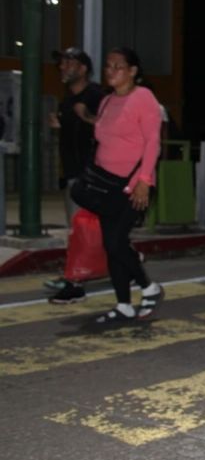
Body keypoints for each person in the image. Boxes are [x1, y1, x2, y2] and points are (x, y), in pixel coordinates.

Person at [89, 47, 164, 324]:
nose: (111, 70)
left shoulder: (143, 98)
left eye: (118, 66)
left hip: (133, 184)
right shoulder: (107, 101)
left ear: (133, 71)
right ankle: (123, 305)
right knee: (112, 246)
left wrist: (144, 181)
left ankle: (149, 288)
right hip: (106, 184)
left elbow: (152, 142)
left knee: (115, 241)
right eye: (108, 66)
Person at [45, 47, 104, 302]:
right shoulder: (67, 99)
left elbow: (110, 129)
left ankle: (75, 282)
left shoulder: (96, 94)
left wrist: (88, 117)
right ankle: (125, 261)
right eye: (62, 63)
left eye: (69, 63)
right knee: (83, 227)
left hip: (90, 173)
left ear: (82, 68)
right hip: (73, 171)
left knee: (81, 228)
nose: (63, 67)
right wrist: (61, 125)